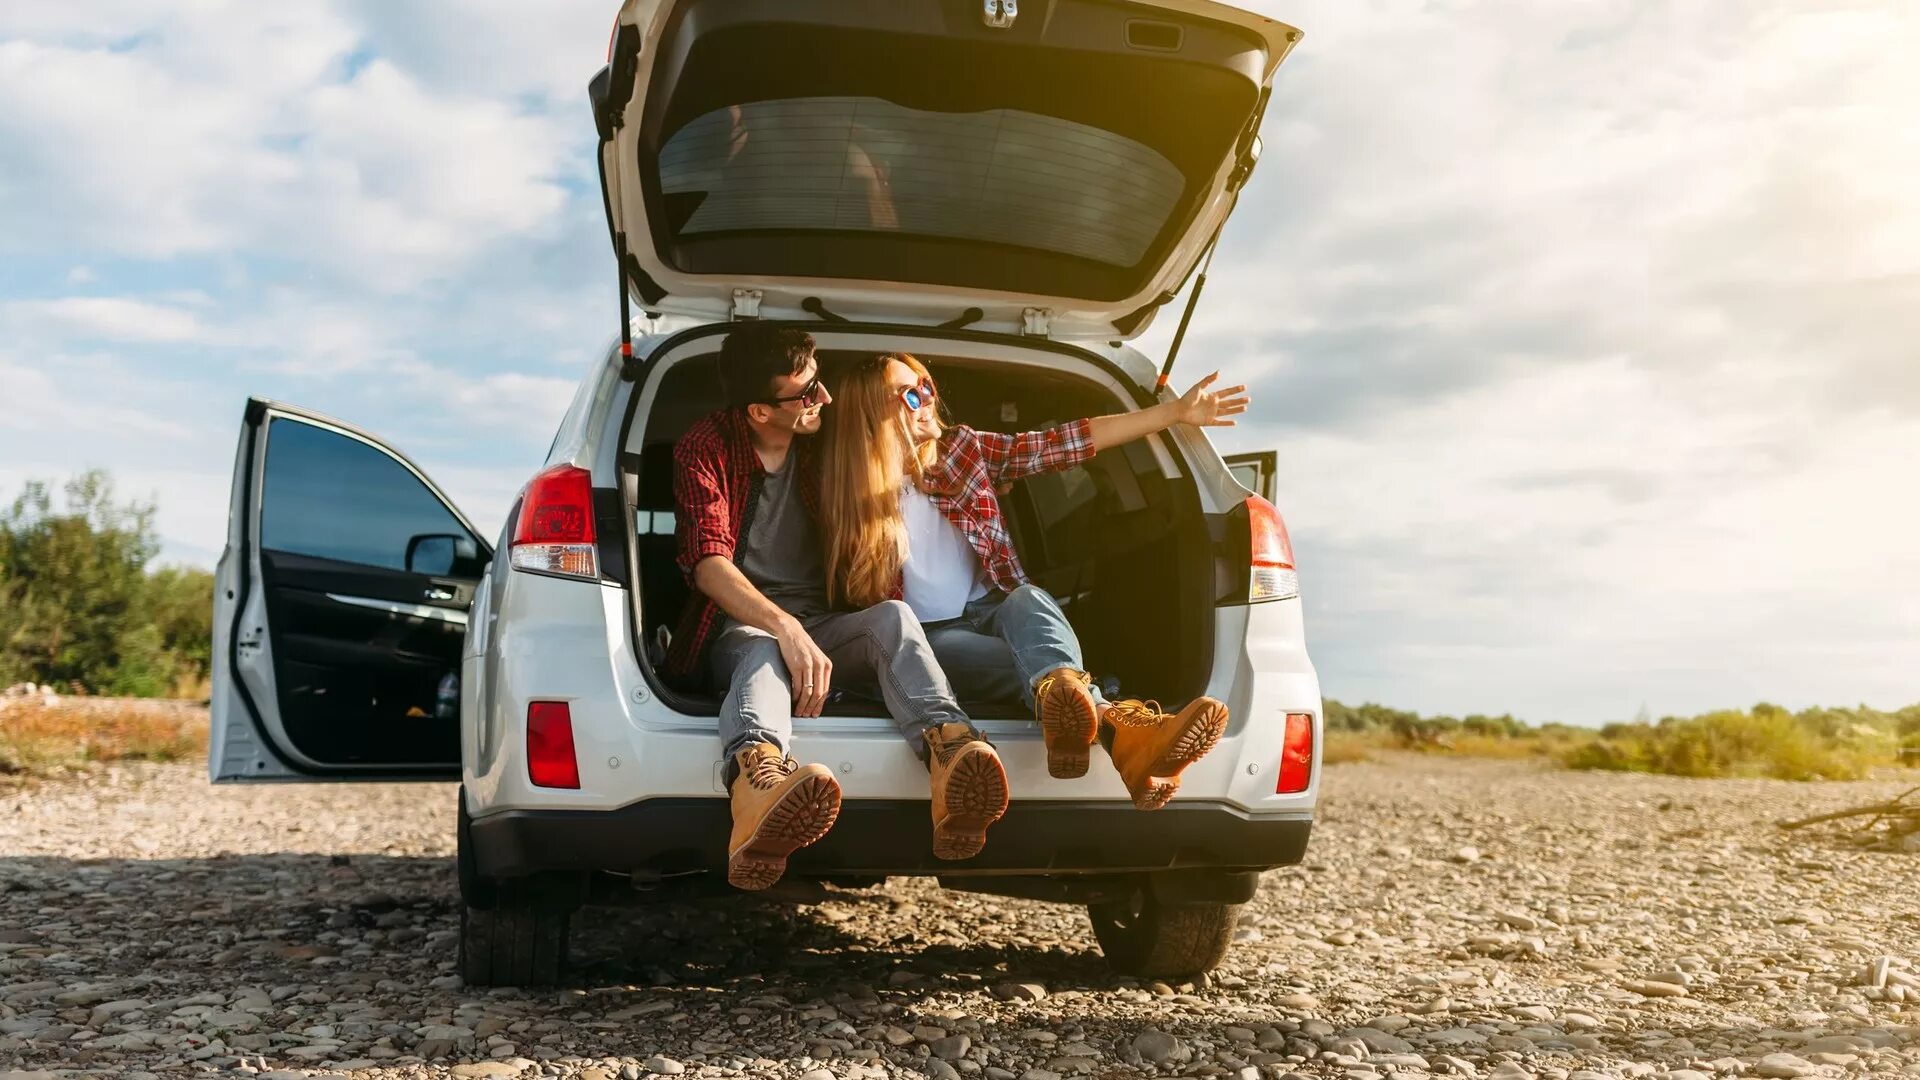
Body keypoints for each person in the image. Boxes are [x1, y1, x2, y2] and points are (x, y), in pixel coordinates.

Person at [818, 353, 1249, 810]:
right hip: (926, 643)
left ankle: (1072, 704)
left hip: (992, 611)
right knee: (1030, 665)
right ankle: (1122, 734)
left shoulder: (962, 452)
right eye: (910, 393)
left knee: (1030, 599)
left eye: (926, 386)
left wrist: (1173, 413)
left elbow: (1061, 444)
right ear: (870, 410)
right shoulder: (840, 489)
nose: (927, 399)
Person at [664, 325, 1008, 891]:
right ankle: (758, 786)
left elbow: (890, 438)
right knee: (761, 654)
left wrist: (912, 396)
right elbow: (707, 563)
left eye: (819, 384)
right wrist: (785, 627)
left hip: (825, 621)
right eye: (805, 394)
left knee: (894, 618)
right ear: (758, 411)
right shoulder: (705, 448)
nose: (822, 399)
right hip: (741, 623)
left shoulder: (822, 442)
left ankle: (950, 754)